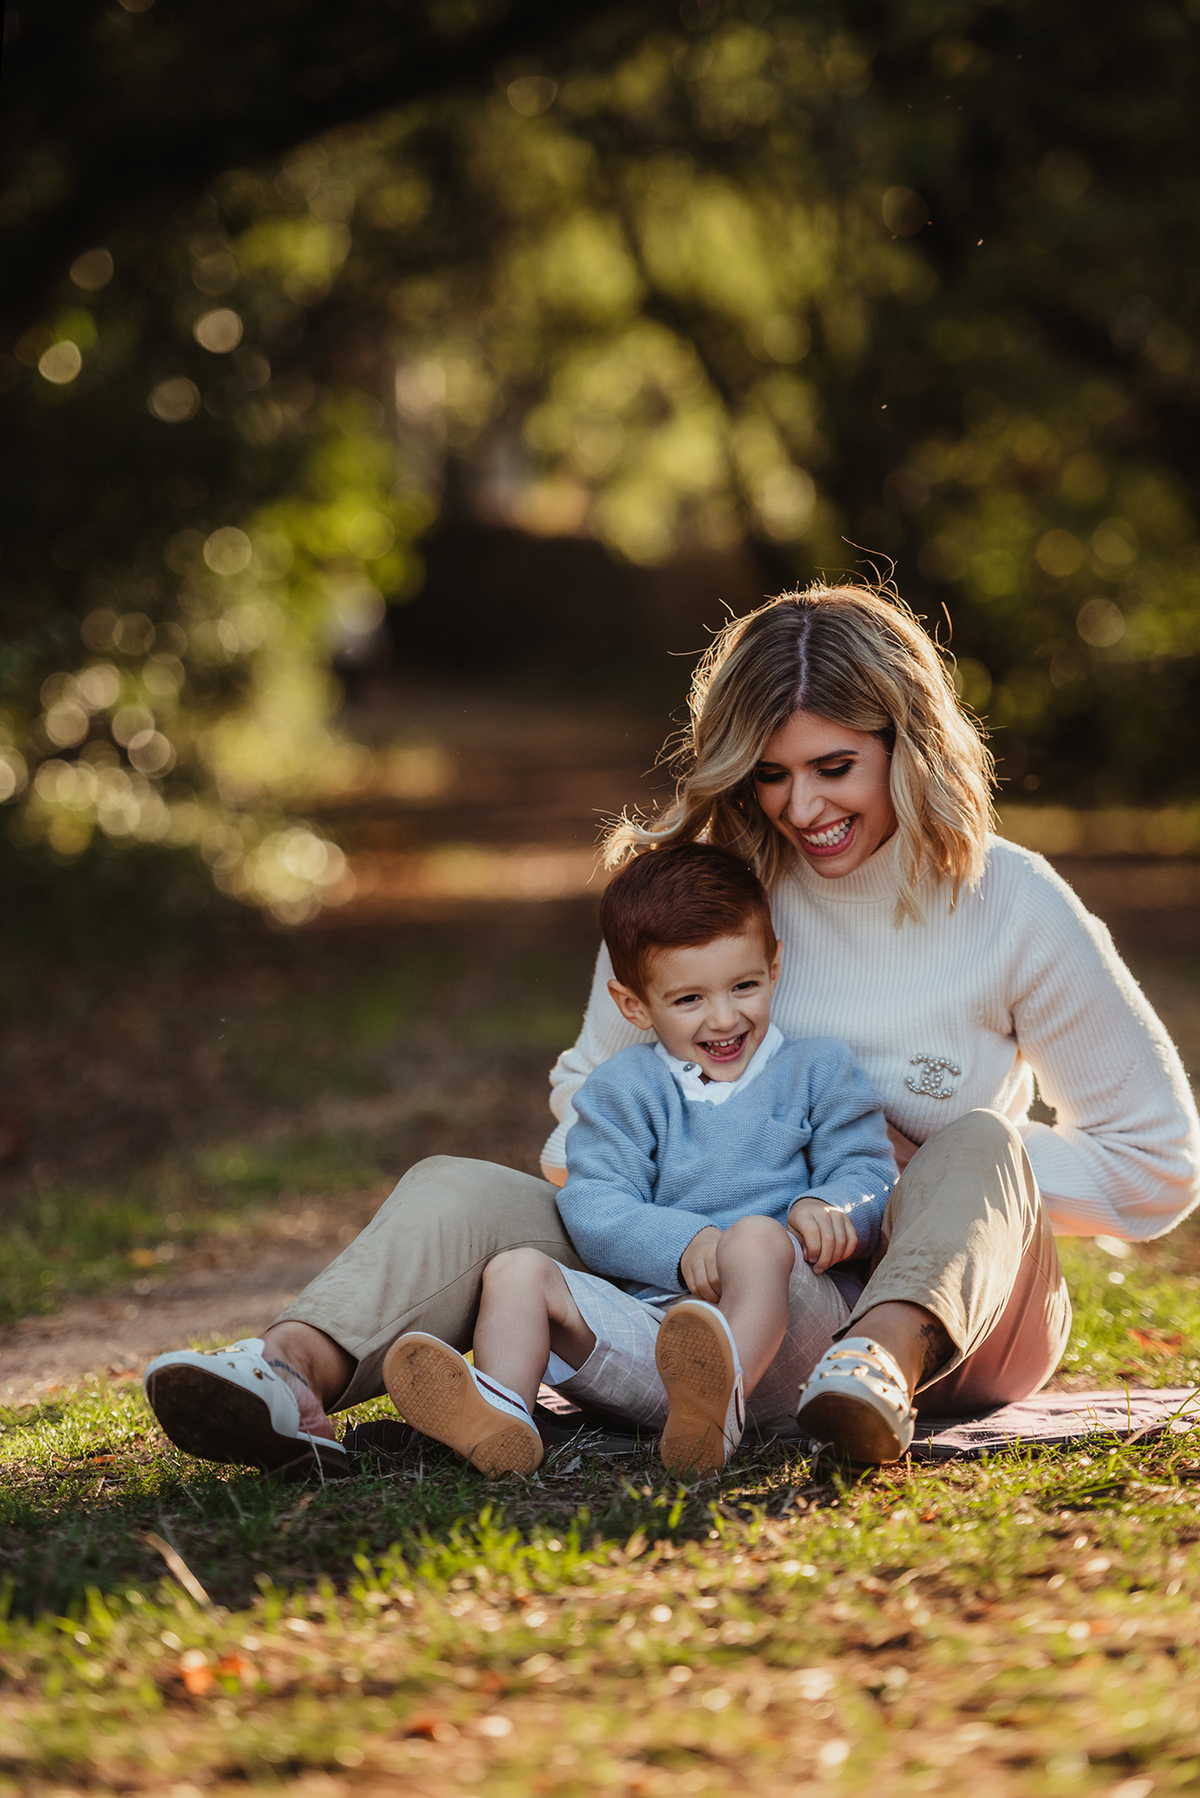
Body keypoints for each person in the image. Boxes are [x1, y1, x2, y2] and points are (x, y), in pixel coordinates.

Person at [143, 584, 1200, 1472]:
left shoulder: (1009, 901)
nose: (801, 808)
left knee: (982, 1137)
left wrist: (915, 1169)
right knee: (454, 1185)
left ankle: (874, 1372)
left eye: (836, 767)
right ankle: (289, 1375)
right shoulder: (700, 904)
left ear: (908, 743)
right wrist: (692, 1198)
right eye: (771, 774)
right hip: (721, 1283)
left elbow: (1160, 1163)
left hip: (951, 1306)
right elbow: (580, 1120)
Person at [381, 843, 895, 1476]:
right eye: (689, 1000)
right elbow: (595, 1205)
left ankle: (722, 1393)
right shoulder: (621, 1090)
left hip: (799, 1332)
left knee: (758, 1237)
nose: (725, 1017)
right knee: (517, 1269)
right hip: (660, 1348)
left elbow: (871, 1173)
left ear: (774, 966)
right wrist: (687, 1243)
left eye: (744, 986)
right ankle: (501, 1414)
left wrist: (832, 1207)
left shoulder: (819, 1070)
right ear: (633, 1005)